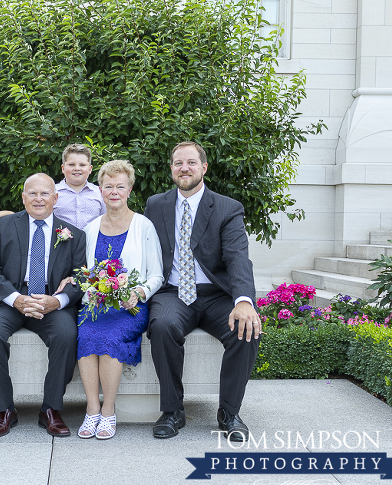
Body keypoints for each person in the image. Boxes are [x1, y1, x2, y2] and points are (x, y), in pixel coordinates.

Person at [144, 141, 261, 442]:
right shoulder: (155, 205)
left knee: (245, 329)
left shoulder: (227, 208)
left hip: (215, 295)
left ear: (204, 167)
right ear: (171, 168)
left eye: (191, 163)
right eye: (178, 163)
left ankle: (229, 412)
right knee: (163, 325)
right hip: (172, 292)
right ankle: (172, 411)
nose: (184, 168)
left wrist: (244, 301)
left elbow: (237, 257)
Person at [0, 173, 86, 438]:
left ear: (55, 198)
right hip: (10, 299)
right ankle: (4, 410)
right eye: (32, 194)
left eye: (45, 193)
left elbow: (81, 277)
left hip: (50, 300)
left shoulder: (74, 235)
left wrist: (57, 301)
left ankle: (51, 409)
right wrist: (16, 299)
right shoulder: (3, 227)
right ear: (23, 198)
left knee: (67, 335)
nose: (39, 199)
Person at [73, 160, 164, 440]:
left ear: (130, 189)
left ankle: (109, 412)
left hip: (130, 307)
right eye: (108, 186)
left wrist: (138, 293)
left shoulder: (143, 226)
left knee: (111, 339)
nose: (114, 191)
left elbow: (157, 275)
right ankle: (92, 411)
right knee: (86, 336)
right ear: (100, 190)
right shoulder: (90, 229)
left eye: (120, 186)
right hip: (95, 305)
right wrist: (92, 292)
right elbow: (84, 274)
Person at [53, 143, 106, 230]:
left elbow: (105, 220)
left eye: (82, 165)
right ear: (63, 168)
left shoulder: (99, 193)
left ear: (90, 169)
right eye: (71, 164)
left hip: (91, 242)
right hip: (60, 242)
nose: (77, 168)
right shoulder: (53, 192)